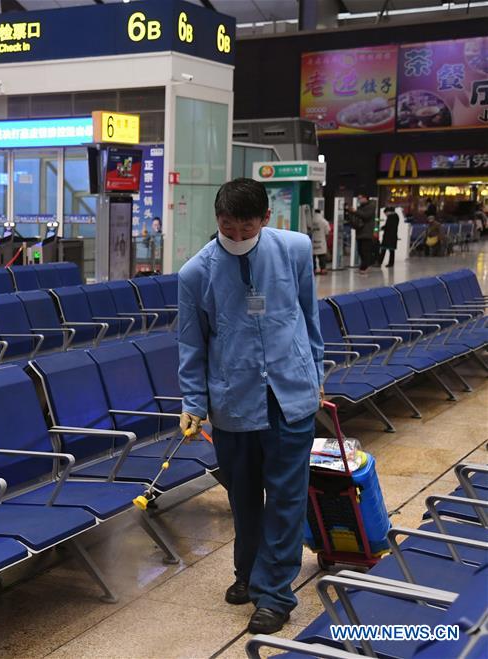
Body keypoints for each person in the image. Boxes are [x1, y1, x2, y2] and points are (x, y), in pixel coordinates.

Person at [177, 178, 323, 635]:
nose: (237, 234)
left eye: (246, 226)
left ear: (265, 219)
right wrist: (193, 402)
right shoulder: (196, 273)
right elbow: (191, 343)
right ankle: (249, 574)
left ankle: (275, 594)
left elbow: (308, 316)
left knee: (285, 498)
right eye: (227, 225)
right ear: (216, 219)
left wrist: (315, 375)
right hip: (233, 401)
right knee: (243, 498)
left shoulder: (295, 249)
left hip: (290, 395)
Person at [346, 192, 376, 275]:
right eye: (358, 198)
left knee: (365, 251)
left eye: (360, 198)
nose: (359, 200)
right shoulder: (360, 207)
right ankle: (364, 266)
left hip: (367, 233)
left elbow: (366, 216)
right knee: (360, 251)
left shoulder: (371, 206)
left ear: (366, 198)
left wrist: (355, 211)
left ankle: (364, 267)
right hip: (359, 232)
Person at [310, 209, 330, 274]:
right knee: (322, 256)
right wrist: (326, 239)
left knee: (313, 256)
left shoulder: (311, 220)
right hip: (321, 241)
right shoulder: (324, 221)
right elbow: (327, 232)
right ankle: (323, 269)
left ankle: (314, 269)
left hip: (313, 241)